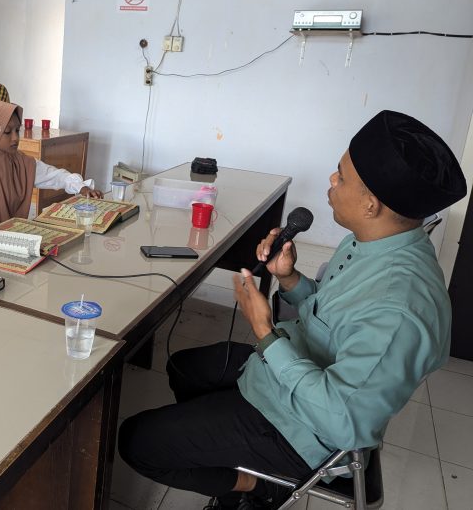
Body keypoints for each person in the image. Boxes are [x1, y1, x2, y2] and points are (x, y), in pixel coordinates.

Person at [118, 110, 467, 509]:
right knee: (183, 367)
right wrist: (288, 279)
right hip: (289, 372)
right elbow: (335, 317)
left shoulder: (400, 308)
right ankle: (220, 450)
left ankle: (259, 485)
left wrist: (266, 334)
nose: (331, 181)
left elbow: (344, 419)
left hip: (305, 427)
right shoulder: (374, 242)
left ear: (371, 204)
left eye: (341, 175)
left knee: (136, 441)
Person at [0, 100, 103, 230]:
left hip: (11, 242)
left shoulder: (18, 162)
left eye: (17, 130)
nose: (15, 138)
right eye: (7, 132)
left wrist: (81, 186)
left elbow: (53, 175)